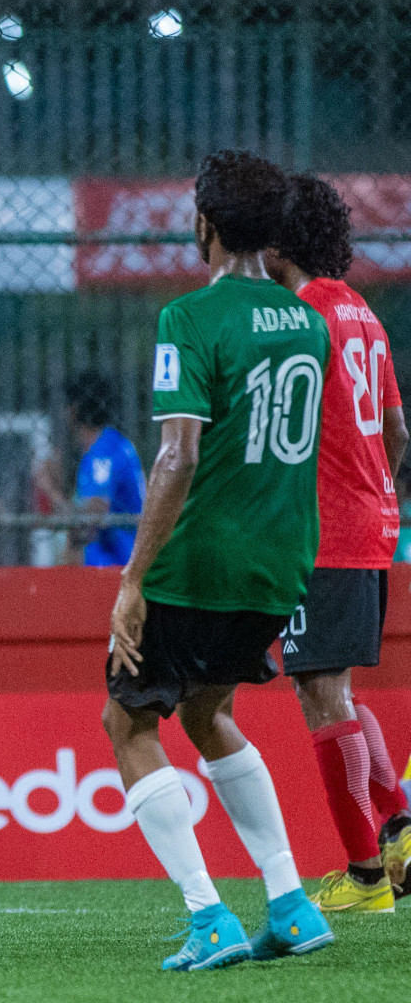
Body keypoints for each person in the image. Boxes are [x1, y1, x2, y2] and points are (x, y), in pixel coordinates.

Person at [103, 150, 333, 971]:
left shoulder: (190, 319)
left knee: (127, 721)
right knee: (207, 713)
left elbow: (179, 456)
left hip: (199, 558)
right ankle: (291, 903)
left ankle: (208, 915)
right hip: (280, 562)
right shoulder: (309, 319)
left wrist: (133, 580)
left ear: (202, 223)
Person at [264, 172, 411, 910]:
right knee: (339, 691)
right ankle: (399, 828)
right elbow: (397, 433)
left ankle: (364, 877)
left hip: (322, 533)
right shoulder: (363, 314)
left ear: (279, 244)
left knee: (319, 694)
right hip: (373, 526)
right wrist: (381, 505)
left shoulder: (297, 320)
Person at [35, 374, 145, 566]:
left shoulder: (102, 452)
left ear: (74, 409)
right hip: (119, 558)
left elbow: (93, 516)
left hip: (117, 562)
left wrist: (50, 489)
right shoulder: (108, 444)